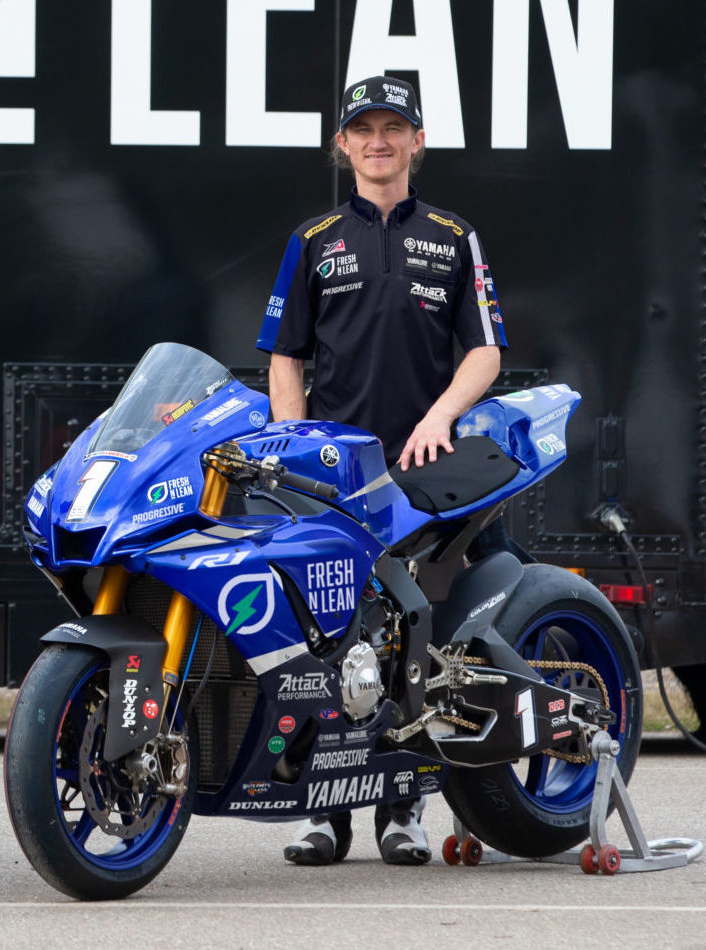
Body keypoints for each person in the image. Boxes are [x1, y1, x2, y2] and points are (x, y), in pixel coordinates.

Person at [254, 75, 507, 866]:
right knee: (323, 644)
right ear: (343, 145)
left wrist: (440, 417)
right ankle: (321, 818)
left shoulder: (454, 234)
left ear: (417, 141)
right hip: (330, 477)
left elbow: (486, 349)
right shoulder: (314, 238)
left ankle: (404, 812)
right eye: (363, 129)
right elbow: (286, 357)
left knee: (412, 643)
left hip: (424, 472)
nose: (378, 141)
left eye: (393, 128)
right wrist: (290, 452)